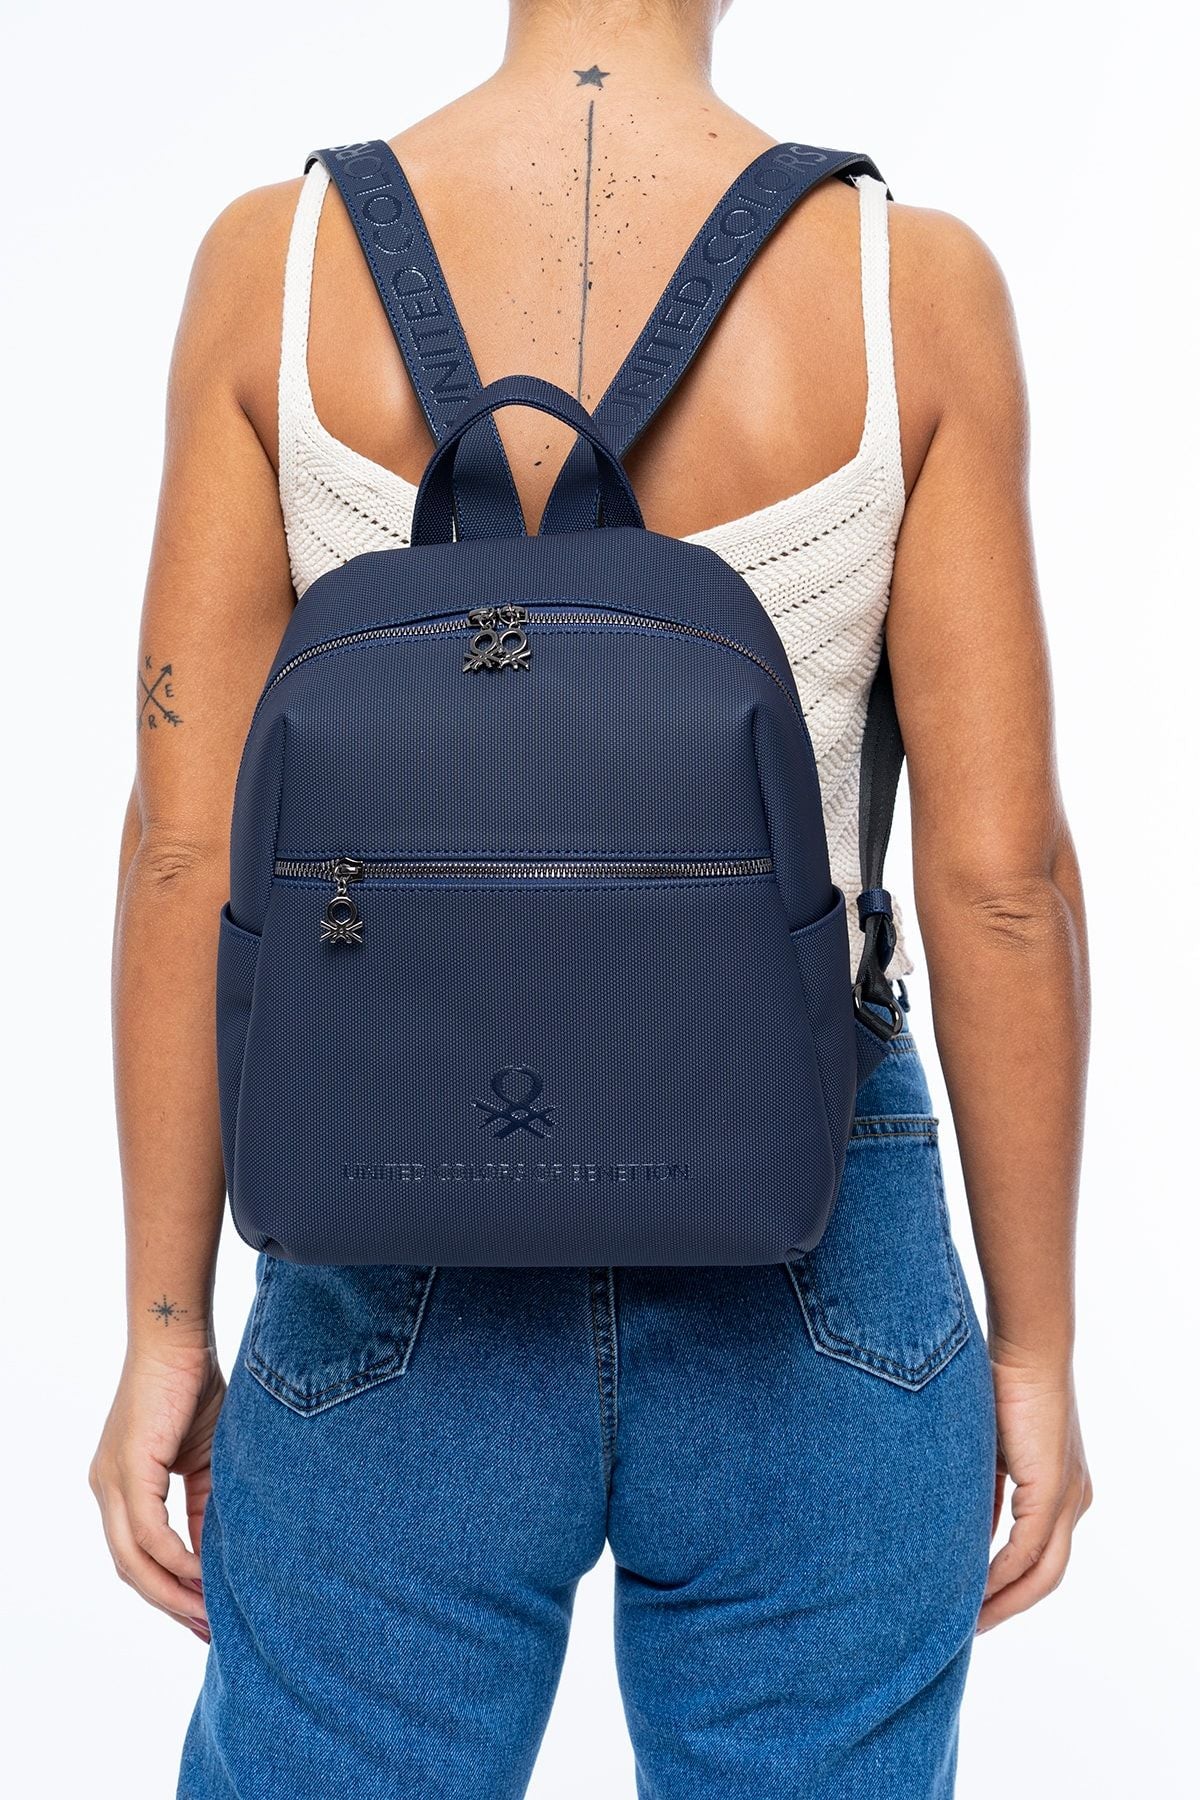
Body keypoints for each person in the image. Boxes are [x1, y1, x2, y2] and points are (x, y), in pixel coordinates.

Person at [89, 1, 1093, 1793]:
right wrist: (1035, 1349)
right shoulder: (905, 291)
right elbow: (999, 884)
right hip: (811, 1232)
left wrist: (167, 1324)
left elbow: (186, 844)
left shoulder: (279, 270)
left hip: (387, 1216)